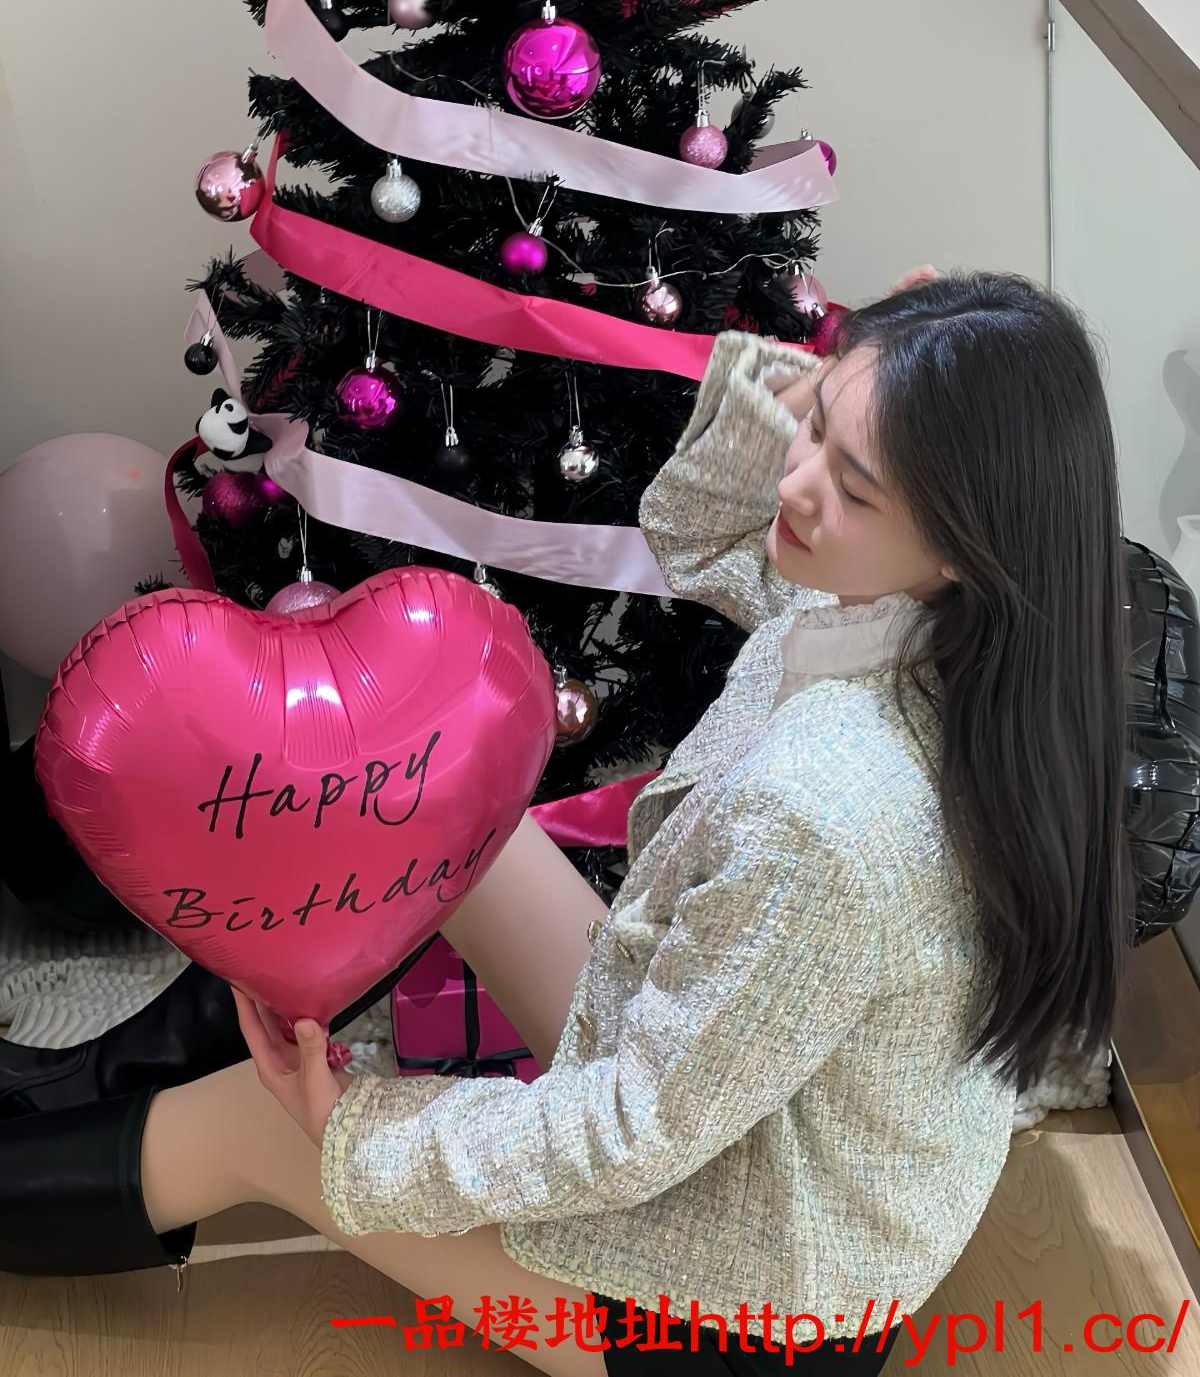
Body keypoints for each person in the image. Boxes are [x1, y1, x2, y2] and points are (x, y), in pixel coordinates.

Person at [0, 269, 1132, 1377]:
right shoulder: (952, 635)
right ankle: (110, 1069)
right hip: (765, 1154)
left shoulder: (830, 813)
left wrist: (360, 1128)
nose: (797, 483)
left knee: (262, 1127)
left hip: (737, 1316)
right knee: (442, 805)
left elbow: (636, 1125)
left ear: (963, 540)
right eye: (816, 431)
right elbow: (696, 532)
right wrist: (835, 385)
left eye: (855, 484)